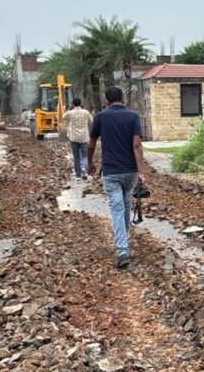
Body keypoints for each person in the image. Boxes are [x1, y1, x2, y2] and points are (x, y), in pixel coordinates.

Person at [88, 86, 147, 269]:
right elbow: (137, 145)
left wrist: (89, 164)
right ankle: (124, 243)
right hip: (130, 172)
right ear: (123, 99)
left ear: (107, 101)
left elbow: (91, 144)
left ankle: (122, 250)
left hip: (111, 172)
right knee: (126, 206)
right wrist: (141, 172)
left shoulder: (100, 117)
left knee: (117, 210)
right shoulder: (133, 116)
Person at [61, 98, 92, 179]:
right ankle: (84, 168)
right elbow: (91, 121)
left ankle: (78, 175)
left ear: (73, 104)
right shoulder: (86, 112)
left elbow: (63, 117)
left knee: (76, 156)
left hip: (74, 137)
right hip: (84, 137)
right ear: (81, 103)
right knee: (85, 155)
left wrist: (68, 109)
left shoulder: (70, 113)